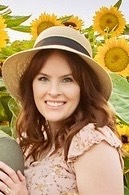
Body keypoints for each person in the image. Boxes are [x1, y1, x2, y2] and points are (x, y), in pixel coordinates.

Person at [1, 26, 124, 195]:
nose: (53, 91)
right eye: (43, 78)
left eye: (67, 80)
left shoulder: (92, 144)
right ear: (31, 85)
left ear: (84, 87)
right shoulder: (34, 140)